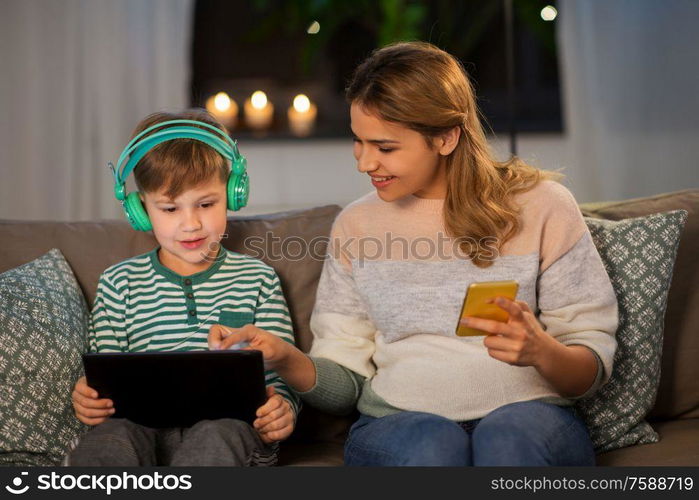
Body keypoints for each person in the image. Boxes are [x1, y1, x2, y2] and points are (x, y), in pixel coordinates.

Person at [209, 42, 618, 466]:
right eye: (358, 141)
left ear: (445, 137)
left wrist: (541, 351)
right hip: (398, 423)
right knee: (433, 448)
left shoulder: (543, 205)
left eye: (384, 147)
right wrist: (285, 357)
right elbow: (346, 385)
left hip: (533, 415)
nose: (364, 163)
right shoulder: (356, 226)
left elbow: (589, 367)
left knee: (507, 445)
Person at [69, 109, 300, 466]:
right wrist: (90, 398)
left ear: (233, 195)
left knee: (217, 434)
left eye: (206, 204)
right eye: (170, 208)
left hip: (230, 435)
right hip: (141, 431)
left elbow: (279, 374)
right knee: (113, 438)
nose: (190, 224)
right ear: (141, 209)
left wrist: (281, 409)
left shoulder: (258, 279)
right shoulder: (118, 283)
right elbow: (105, 377)